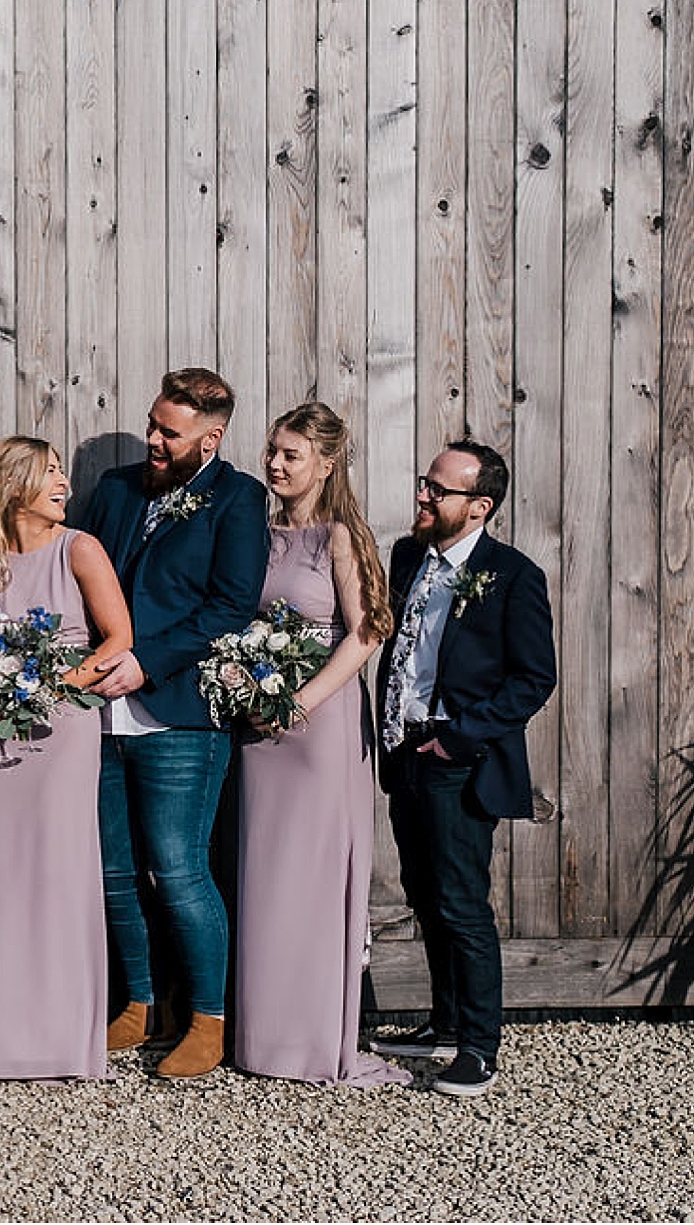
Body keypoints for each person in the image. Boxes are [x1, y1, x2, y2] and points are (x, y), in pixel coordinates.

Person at [75, 366, 268, 1079]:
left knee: (179, 870)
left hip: (179, 711)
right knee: (114, 869)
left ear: (210, 438)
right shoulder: (118, 489)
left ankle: (208, 1020)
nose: (153, 439)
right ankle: (139, 1003)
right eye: (152, 424)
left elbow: (229, 605)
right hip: (99, 711)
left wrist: (146, 663)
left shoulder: (238, 499)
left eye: (169, 432)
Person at [369, 440, 555, 1097]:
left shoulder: (512, 575)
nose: (422, 495)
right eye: (424, 483)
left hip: (457, 761)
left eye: (437, 490)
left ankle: (477, 1047)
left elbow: (533, 679)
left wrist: (458, 737)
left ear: (478, 507)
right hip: (403, 754)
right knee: (423, 895)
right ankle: (442, 1025)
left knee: (458, 902)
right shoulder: (405, 556)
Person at [229, 403, 407, 1088]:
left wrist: (299, 701)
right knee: (264, 873)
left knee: (312, 872)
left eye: (290, 454)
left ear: (325, 464)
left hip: (319, 726)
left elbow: (367, 632)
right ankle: (262, 1036)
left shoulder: (341, 534)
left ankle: (312, 1040)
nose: (274, 464)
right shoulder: (258, 532)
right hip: (260, 725)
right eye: (272, 450)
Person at [0, 438, 133, 1081]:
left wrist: (57, 685)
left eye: (61, 470)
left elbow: (119, 638)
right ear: (14, 483)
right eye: (49, 471)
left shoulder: (79, 548)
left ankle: (60, 1036)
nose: (62, 481)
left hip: (64, 729)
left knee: (58, 870)